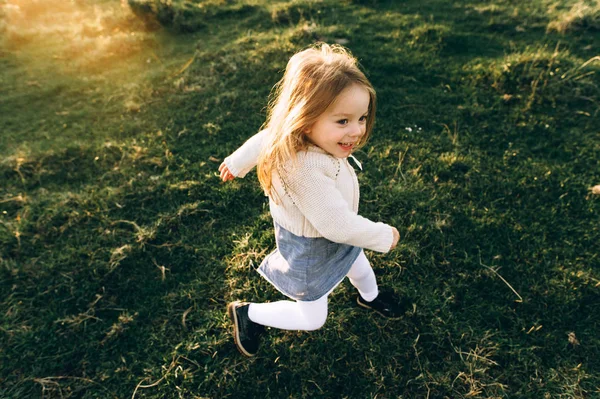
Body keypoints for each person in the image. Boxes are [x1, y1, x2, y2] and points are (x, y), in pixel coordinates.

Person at [219, 43, 409, 357]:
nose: (357, 131)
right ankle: (249, 313)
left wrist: (238, 161)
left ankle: (370, 296)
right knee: (313, 317)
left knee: (357, 266)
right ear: (306, 119)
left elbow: (266, 136)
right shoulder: (304, 168)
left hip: (340, 231)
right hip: (313, 246)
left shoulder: (296, 132)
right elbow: (335, 225)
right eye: (343, 121)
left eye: (361, 118)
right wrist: (382, 236)